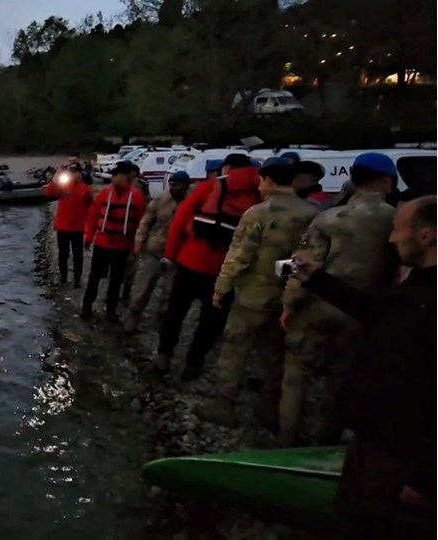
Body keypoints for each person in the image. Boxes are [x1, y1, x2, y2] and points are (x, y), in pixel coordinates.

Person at [288, 196, 436, 539]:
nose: (391, 239)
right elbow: (380, 314)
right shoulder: (419, 285)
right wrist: (317, 280)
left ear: (426, 235)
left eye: (398, 229)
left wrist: (426, 479)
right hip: (374, 440)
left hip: (400, 456)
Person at [278, 152, 400, 446]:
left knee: (296, 376)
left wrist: (288, 304)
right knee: (340, 380)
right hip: (360, 313)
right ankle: (326, 441)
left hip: (317, 306)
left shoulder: (329, 218)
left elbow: (298, 266)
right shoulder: (397, 221)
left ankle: (285, 440)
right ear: (386, 181)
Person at [194, 158, 319, 429]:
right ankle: (268, 410)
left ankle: (224, 405)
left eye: (261, 181)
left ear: (269, 180)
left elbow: (240, 255)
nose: (259, 187)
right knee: (274, 355)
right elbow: (301, 260)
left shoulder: (258, 213)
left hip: (252, 296)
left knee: (235, 348)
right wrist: (286, 286)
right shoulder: (311, 213)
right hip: (286, 297)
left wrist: (221, 288)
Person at [154, 153, 260, 380]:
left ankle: (164, 354)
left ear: (226, 168)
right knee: (211, 321)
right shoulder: (258, 194)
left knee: (175, 312)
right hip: (225, 270)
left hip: (191, 260)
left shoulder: (209, 187)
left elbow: (179, 221)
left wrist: (170, 255)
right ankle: (194, 363)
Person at [122, 170, 191, 333]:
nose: (173, 188)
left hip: (177, 256)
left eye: (177, 185)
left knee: (169, 293)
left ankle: (161, 325)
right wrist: (139, 241)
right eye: (171, 184)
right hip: (154, 250)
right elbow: (145, 222)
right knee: (142, 288)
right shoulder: (160, 201)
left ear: (185, 186)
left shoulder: (191, 204)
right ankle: (131, 320)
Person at [81, 161, 146, 321]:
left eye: (120, 175)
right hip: (102, 243)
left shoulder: (136, 197)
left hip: (122, 245)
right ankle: (86, 307)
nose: (116, 178)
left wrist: (136, 244)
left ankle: (111, 309)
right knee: (94, 277)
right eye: (116, 175)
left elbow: (140, 222)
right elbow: (93, 216)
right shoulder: (104, 193)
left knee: (116, 280)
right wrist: (88, 238)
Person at [44, 164, 93, 287]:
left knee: (78, 255)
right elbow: (49, 193)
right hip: (63, 227)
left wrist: (88, 225)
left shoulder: (85, 189)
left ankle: (77, 279)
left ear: (80, 173)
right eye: (71, 172)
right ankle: (63, 276)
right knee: (63, 253)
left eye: (75, 172)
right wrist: (56, 177)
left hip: (78, 228)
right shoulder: (63, 185)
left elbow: (90, 207)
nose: (73, 174)